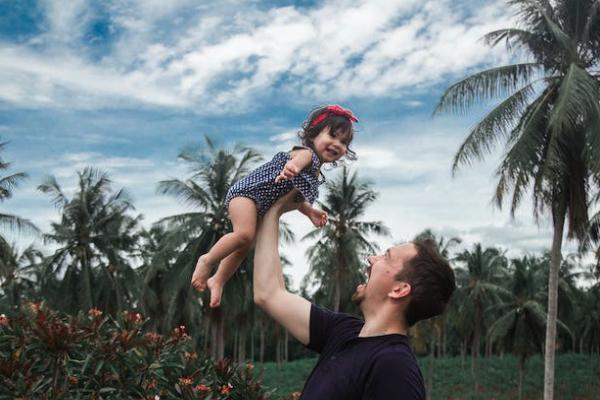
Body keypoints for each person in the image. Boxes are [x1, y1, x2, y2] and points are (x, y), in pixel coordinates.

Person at [253, 192, 456, 399]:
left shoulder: (395, 368)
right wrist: (274, 210)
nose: (372, 259)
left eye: (386, 257)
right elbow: (269, 293)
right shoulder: (342, 330)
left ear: (399, 290)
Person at [191, 105, 359, 307]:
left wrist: (309, 211)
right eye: (332, 136)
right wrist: (293, 167)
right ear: (313, 134)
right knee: (243, 235)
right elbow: (299, 160)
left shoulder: (314, 173)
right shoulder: (306, 154)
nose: (337, 144)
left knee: (244, 246)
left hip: (259, 205)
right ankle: (207, 260)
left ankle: (218, 280)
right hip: (246, 194)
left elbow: (295, 197)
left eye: (343, 142)